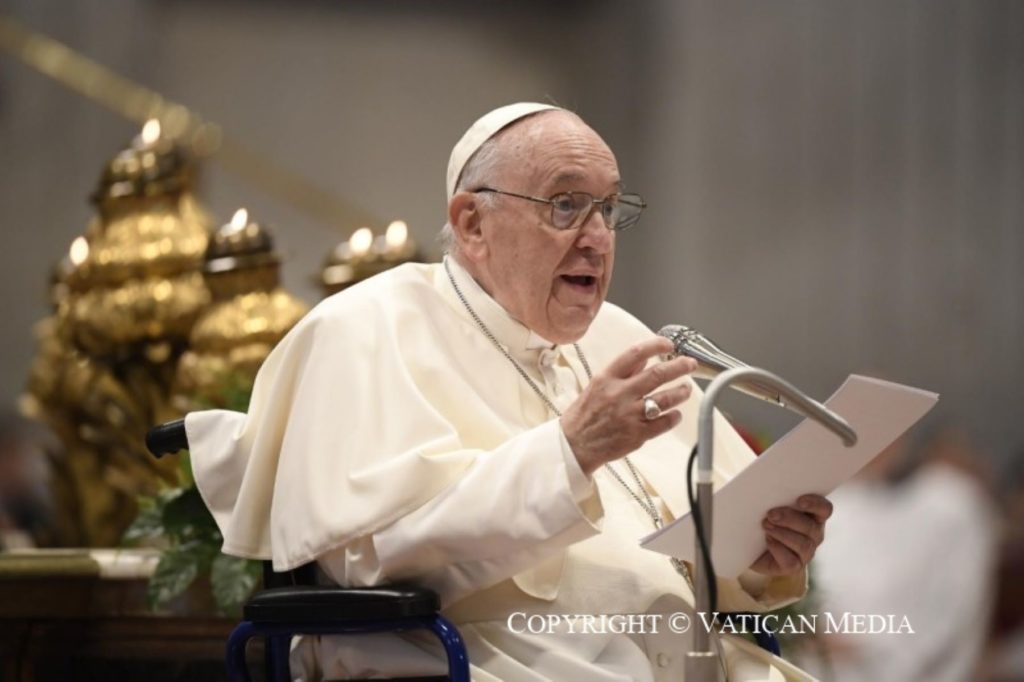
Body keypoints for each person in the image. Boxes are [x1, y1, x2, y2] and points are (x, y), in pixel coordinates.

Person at [186, 103, 832, 681]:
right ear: (472, 222)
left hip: (687, 656)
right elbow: (374, 557)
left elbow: (700, 552)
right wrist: (569, 452)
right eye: (564, 205)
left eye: (608, 208)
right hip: (498, 657)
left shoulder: (620, 336)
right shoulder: (366, 326)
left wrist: (762, 554)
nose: (596, 236)